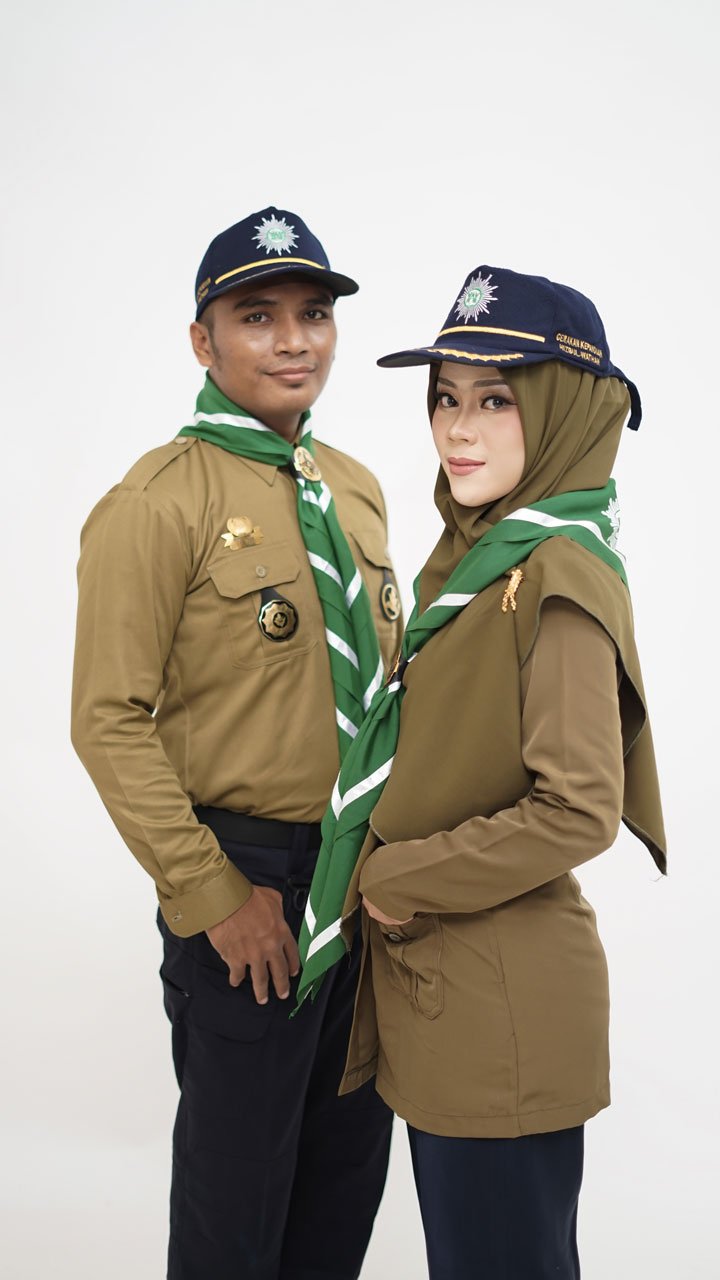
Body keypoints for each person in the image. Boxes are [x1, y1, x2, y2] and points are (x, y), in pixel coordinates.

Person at [297, 265, 666, 1279]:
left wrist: (394, 876)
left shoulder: (558, 575)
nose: (458, 429)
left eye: (496, 400)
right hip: (452, 997)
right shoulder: (480, 559)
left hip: (500, 1012)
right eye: (446, 398)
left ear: (562, 410)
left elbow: (578, 809)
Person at [71, 206, 402, 1280]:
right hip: (247, 883)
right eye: (258, 317)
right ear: (202, 341)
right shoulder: (156, 501)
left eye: (313, 314)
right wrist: (211, 892)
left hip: (365, 886)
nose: (294, 340)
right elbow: (106, 718)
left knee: (343, 1186)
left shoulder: (355, 489)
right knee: (236, 1208)